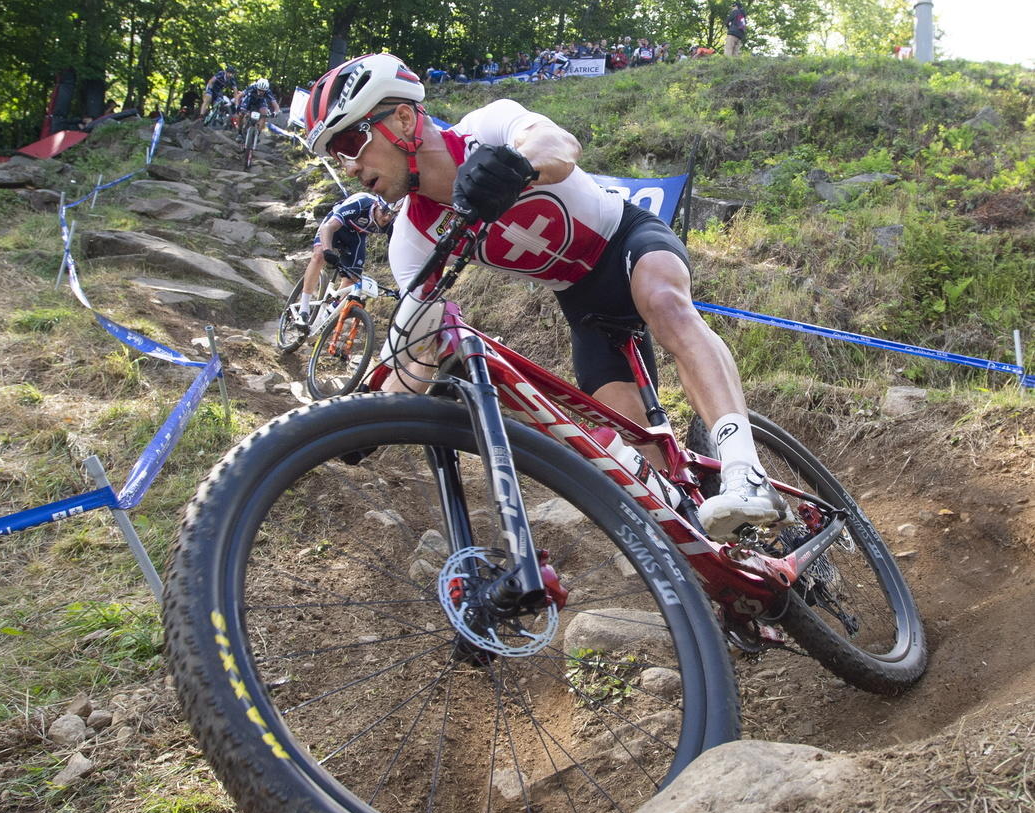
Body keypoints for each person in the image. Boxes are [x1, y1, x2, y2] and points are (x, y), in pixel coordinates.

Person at [302, 52, 786, 537]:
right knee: (642, 462)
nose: (348, 166)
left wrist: (517, 165)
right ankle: (728, 566)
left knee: (663, 301)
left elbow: (558, 143)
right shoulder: (412, 236)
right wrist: (368, 420)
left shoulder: (485, 128)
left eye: (350, 141)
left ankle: (745, 470)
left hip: (625, 239)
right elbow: (418, 346)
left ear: (403, 118)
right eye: (336, 154)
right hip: (583, 302)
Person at [292, 192, 397, 335]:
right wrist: (328, 251)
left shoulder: (391, 223)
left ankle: (326, 316)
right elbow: (328, 227)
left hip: (356, 237)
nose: (386, 217)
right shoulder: (361, 204)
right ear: (377, 205)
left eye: (391, 214)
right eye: (385, 211)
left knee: (352, 279)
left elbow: (396, 253)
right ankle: (303, 311)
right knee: (319, 256)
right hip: (335, 227)